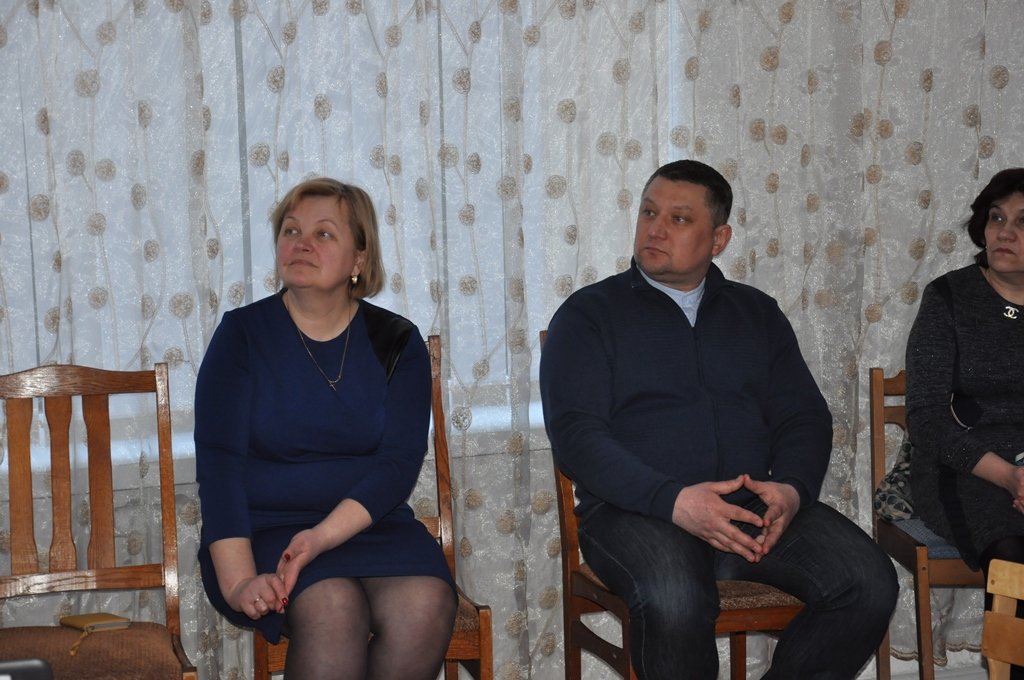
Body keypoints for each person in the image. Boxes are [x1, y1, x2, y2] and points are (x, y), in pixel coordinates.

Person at [540, 159, 898, 679]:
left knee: (867, 581)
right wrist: (674, 501)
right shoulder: (588, 315)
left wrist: (791, 490)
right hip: (635, 512)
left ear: (719, 238)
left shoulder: (756, 313)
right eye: (648, 213)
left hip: (750, 507)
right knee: (675, 598)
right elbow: (577, 436)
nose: (655, 229)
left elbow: (804, 416)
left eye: (679, 219)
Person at [195, 178, 456, 679]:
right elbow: (219, 468)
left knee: (425, 604)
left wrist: (319, 538)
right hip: (267, 531)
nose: (302, 243)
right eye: (291, 231)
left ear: (359, 258)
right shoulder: (241, 336)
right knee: (334, 609)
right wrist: (239, 582)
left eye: (324, 234)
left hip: (370, 526)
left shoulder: (397, 342)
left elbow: (397, 465)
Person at [906, 167, 1024, 677]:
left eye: (1023, 222)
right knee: (1015, 554)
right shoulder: (949, 297)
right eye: (997, 218)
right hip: (965, 468)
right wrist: (1010, 476)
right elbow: (926, 417)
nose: (1005, 232)